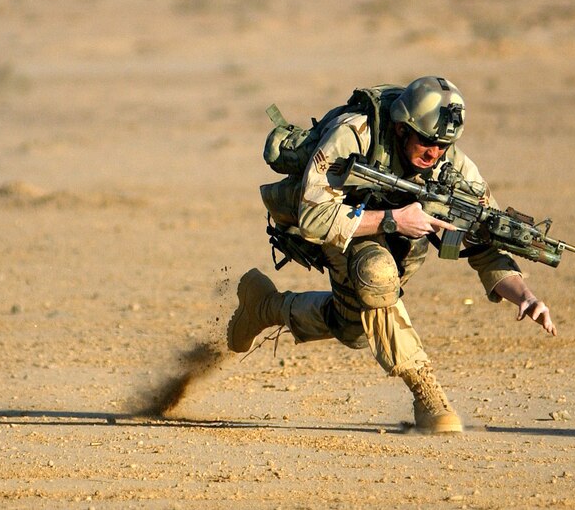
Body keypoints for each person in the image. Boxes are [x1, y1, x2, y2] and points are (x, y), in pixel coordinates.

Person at [227, 76, 557, 434]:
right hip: (340, 225)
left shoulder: (454, 169)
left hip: (397, 250)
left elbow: (485, 245)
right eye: (426, 142)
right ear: (401, 130)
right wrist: (393, 220)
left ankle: (266, 306)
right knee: (376, 274)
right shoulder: (355, 134)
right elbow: (314, 215)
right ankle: (428, 395)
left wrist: (524, 296)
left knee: (352, 325)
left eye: (444, 145)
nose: (434, 154)